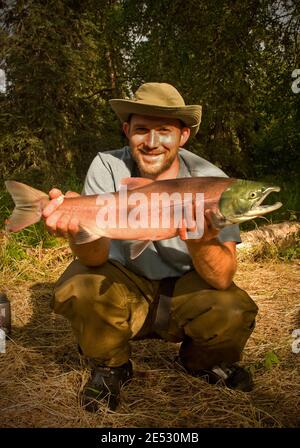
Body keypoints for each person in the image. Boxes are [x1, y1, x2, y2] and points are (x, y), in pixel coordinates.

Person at [43, 83, 258, 412]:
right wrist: (75, 228)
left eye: (164, 131)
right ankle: (111, 366)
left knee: (233, 307)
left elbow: (222, 278)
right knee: (80, 284)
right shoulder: (107, 166)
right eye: (142, 129)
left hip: (188, 288)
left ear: (183, 136)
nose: (152, 142)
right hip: (125, 282)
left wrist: (200, 241)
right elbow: (94, 258)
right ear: (127, 131)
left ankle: (201, 362)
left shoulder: (213, 181)